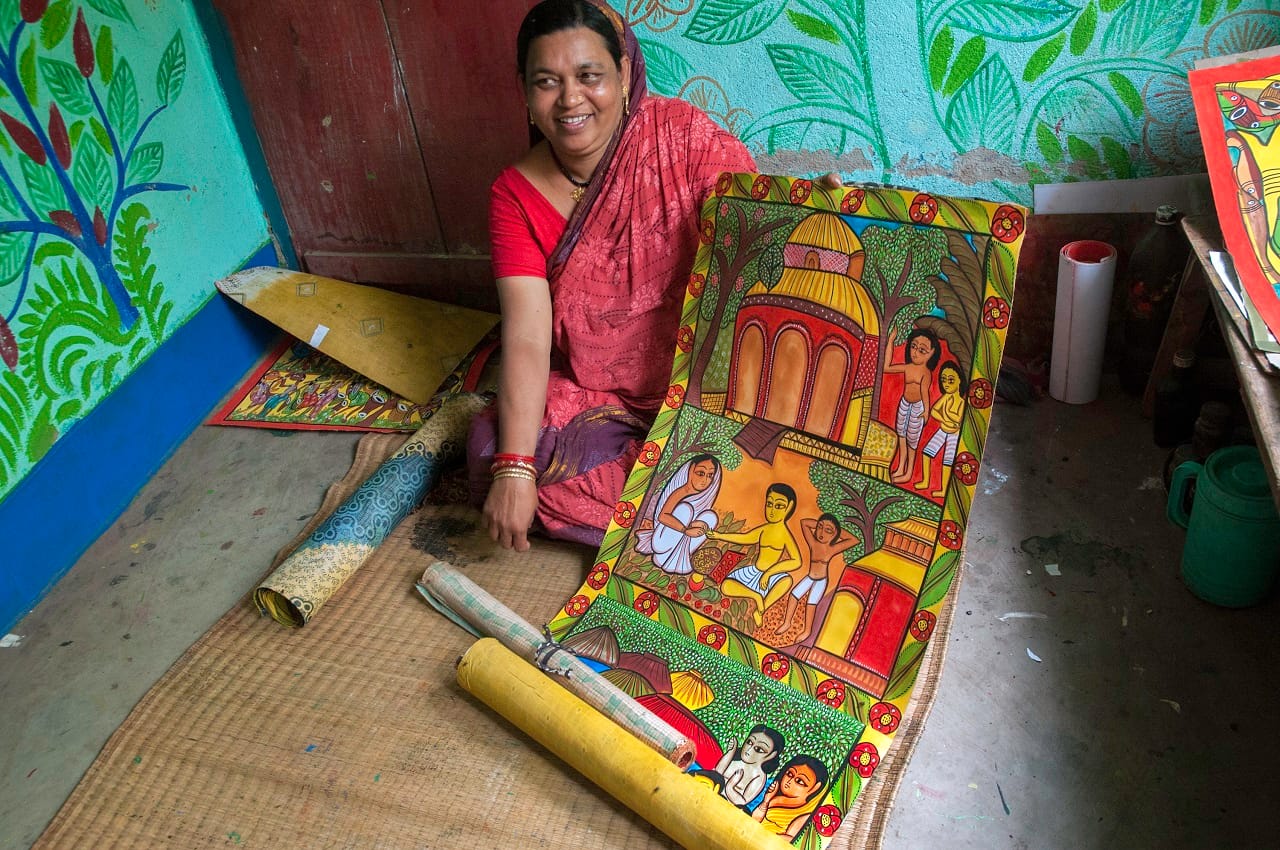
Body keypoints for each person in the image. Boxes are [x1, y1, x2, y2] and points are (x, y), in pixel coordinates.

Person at [467, 0, 758, 551]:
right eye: (547, 82)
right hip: (605, 394)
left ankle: (679, 507)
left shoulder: (678, 138)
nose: (571, 99)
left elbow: (755, 230)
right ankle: (688, 516)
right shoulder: (514, 195)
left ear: (624, 76)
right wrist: (513, 469)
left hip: (704, 386)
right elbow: (528, 334)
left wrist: (813, 215)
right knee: (492, 450)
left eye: (589, 76)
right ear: (526, 93)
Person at [708, 483, 801, 628]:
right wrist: (719, 535)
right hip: (754, 572)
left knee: (786, 581)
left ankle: (760, 610)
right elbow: (745, 538)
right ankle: (756, 596)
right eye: (769, 504)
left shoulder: (785, 535)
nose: (771, 510)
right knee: (726, 586)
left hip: (771, 577)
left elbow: (796, 561)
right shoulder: (764, 529)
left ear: (789, 507)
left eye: (779, 506)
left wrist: (770, 573)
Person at [775, 513, 858, 642]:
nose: (822, 532)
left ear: (834, 535)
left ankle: (807, 631)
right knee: (794, 595)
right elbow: (804, 522)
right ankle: (787, 622)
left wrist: (836, 530)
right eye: (819, 527)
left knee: (811, 604)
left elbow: (854, 540)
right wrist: (823, 523)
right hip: (809, 577)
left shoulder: (832, 548)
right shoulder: (813, 543)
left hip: (821, 581)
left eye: (828, 530)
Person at [634, 454, 722, 575]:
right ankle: (664, 558)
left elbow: (695, 522)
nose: (705, 480)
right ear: (691, 470)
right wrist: (685, 530)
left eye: (710, 476)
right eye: (701, 473)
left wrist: (701, 525)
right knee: (685, 509)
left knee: (710, 517)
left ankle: (680, 559)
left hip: (683, 541)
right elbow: (662, 516)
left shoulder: (704, 497)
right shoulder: (681, 492)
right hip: (662, 541)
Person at [883, 326, 940, 485]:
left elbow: (924, 393)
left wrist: (926, 411)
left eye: (922, 350)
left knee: (912, 441)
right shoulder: (908, 367)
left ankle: (908, 473)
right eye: (913, 346)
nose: (915, 352)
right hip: (904, 403)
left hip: (917, 407)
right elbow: (886, 368)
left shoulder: (925, 372)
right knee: (901, 434)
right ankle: (900, 467)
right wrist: (891, 341)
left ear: (931, 353)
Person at [916, 359, 967, 498]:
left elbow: (958, 419)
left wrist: (946, 415)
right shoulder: (946, 397)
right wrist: (947, 417)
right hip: (943, 430)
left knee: (947, 461)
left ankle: (944, 489)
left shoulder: (961, 402)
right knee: (927, 452)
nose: (946, 384)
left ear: (959, 381)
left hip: (953, 435)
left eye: (951, 380)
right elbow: (934, 411)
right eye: (944, 380)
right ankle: (925, 481)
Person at [751, 755, 830, 838]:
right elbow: (753, 820)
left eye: (799, 781)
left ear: (814, 788)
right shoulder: (773, 798)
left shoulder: (804, 816)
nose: (789, 781)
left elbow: (787, 842)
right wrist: (766, 801)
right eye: (789, 774)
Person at [713, 724, 785, 810]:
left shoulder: (759, 776)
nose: (749, 750)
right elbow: (716, 774)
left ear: (771, 755)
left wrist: (730, 786)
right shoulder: (735, 759)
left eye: (759, 749)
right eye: (749, 742)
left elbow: (742, 802)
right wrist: (730, 752)